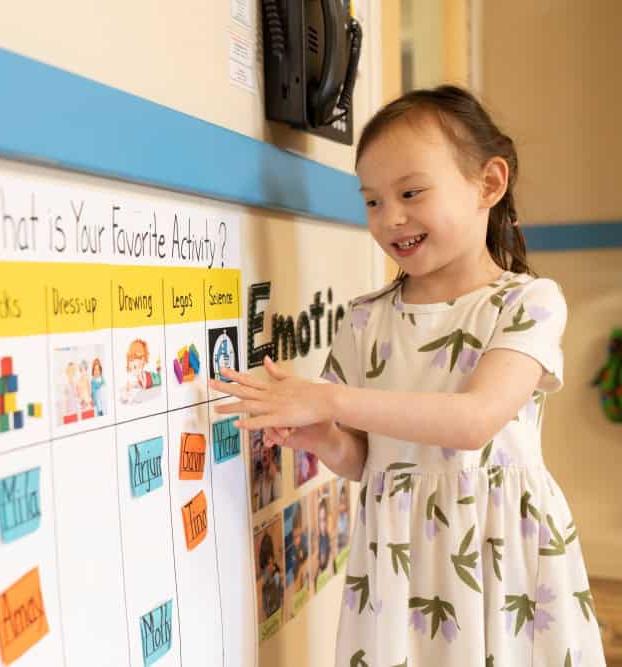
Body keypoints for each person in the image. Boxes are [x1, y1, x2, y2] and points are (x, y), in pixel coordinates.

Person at [211, 86, 604, 665]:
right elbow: (367, 459)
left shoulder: (528, 303)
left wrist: (329, 401)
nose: (390, 217)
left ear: (489, 184)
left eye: (411, 192)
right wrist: (325, 438)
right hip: (398, 560)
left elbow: (473, 422)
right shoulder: (364, 319)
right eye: (372, 201)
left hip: (502, 558)